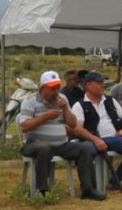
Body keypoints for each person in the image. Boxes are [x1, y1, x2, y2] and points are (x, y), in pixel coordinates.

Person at [20, 71, 104, 200]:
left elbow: (73, 124)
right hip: (34, 143)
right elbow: (24, 127)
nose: (56, 92)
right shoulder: (30, 101)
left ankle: (88, 189)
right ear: (43, 88)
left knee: (84, 148)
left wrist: (66, 110)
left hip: (60, 144)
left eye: (58, 88)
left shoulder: (62, 98)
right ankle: (42, 190)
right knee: (44, 148)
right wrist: (45, 117)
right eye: (52, 88)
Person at [72, 71, 122, 188]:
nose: (103, 85)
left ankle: (117, 178)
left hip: (113, 137)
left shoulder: (111, 101)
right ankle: (89, 185)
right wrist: (96, 140)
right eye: (99, 82)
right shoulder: (79, 105)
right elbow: (78, 129)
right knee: (85, 151)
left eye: (103, 82)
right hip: (91, 140)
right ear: (88, 85)